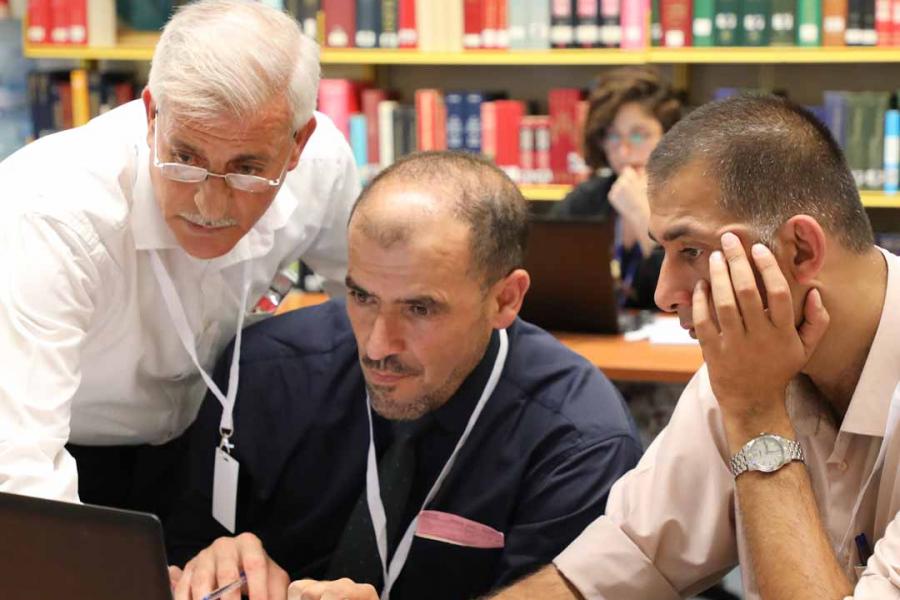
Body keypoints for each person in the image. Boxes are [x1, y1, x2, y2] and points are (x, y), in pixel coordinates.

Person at [163, 151, 643, 600]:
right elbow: (174, 553)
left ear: (505, 300)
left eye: (419, 308)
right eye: (363, 297)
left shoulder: (578, 440)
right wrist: (207, 566)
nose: (376, 346)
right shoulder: (268, 371)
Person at [490, 95, 900, 599]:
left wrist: (757, 419)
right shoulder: (746, 364)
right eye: (663, 251)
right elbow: (612, 568)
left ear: (801, 250)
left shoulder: (749, 381)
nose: (663, 293)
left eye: (692, 252)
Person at [0, 0, 359, 515]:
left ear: (297, 144)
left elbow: (376, 303)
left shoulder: (323, 166)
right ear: (151, 117)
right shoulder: (50, 213)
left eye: (247, 168)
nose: (209, 206)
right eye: (185, 159)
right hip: (66, 444)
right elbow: (22, 472)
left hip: (214, 435)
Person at [552, 66, 682, 309]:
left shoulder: (692, 202)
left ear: (669, 137)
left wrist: (643, 218)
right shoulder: (587, 199)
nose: (623, 151)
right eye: (612, 136)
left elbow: (685, 294)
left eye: (638, 135)